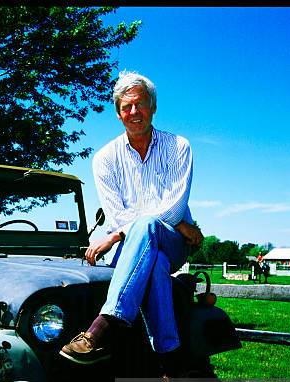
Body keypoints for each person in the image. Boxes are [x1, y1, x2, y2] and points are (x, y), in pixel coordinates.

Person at [60, 71, 203, 365]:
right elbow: (116, 214)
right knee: (156, 264)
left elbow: (174, 208)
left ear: (153, 107)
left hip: (171, 241)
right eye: (127, 107)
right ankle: (170, 361)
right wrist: (175, 222)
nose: (134, 112)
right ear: (118, 113)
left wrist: (114, 235)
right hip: (138, 249)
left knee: (149, 227)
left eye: (140, 104)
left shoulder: (178, 147)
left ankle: (104, 325)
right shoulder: (104, 158)